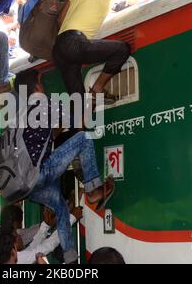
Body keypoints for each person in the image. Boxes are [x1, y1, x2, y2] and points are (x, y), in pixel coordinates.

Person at [13, 69, 115, 264]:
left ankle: (70, 259)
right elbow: (80, 121)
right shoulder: (42, 103)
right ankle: (93, 190)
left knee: (61, 209)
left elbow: (49, 135)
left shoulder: (19, 115)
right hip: (41, 172)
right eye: (42, 84)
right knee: (84, 138)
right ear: (37, 84)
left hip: (28, 186)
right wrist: (94, 99)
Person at [53, 0, 131, 107]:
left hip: (59, 48)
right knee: (123, 49)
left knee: (79, 104)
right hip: (75, 43)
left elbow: (60, 20)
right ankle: (97, 88)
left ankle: (75, 128)